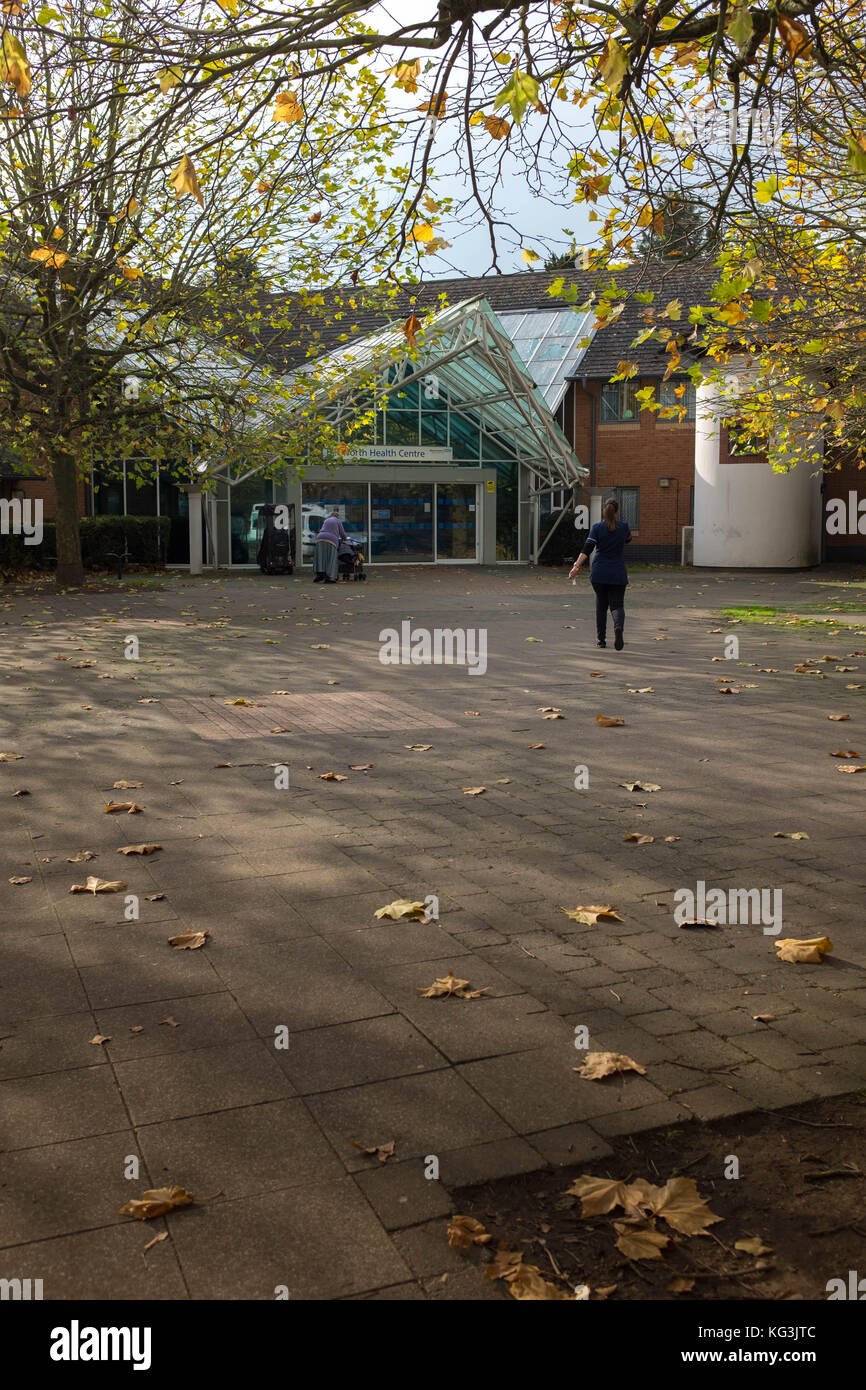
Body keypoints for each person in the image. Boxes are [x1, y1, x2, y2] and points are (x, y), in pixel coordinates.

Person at [569, 498, 632, 649]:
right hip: (617, 572)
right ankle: (618, 628)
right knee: (617, 605)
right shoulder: (624, 527)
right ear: (616, 512)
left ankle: (601, 640)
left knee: (601, 606)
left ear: (604, 510)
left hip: (599, 573)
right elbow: (628, 540)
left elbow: (587, 549)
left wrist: (575, 567)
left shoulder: (597, 527)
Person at [313, 510, 348, 583]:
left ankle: (320, 575)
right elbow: (342, 533)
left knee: (321, 558)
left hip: (319, 538)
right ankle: (330, 578)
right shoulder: (338, 521)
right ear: (337, 516)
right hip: (331, 540)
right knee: (331, 559)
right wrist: (345, 539)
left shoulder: (326, 520)